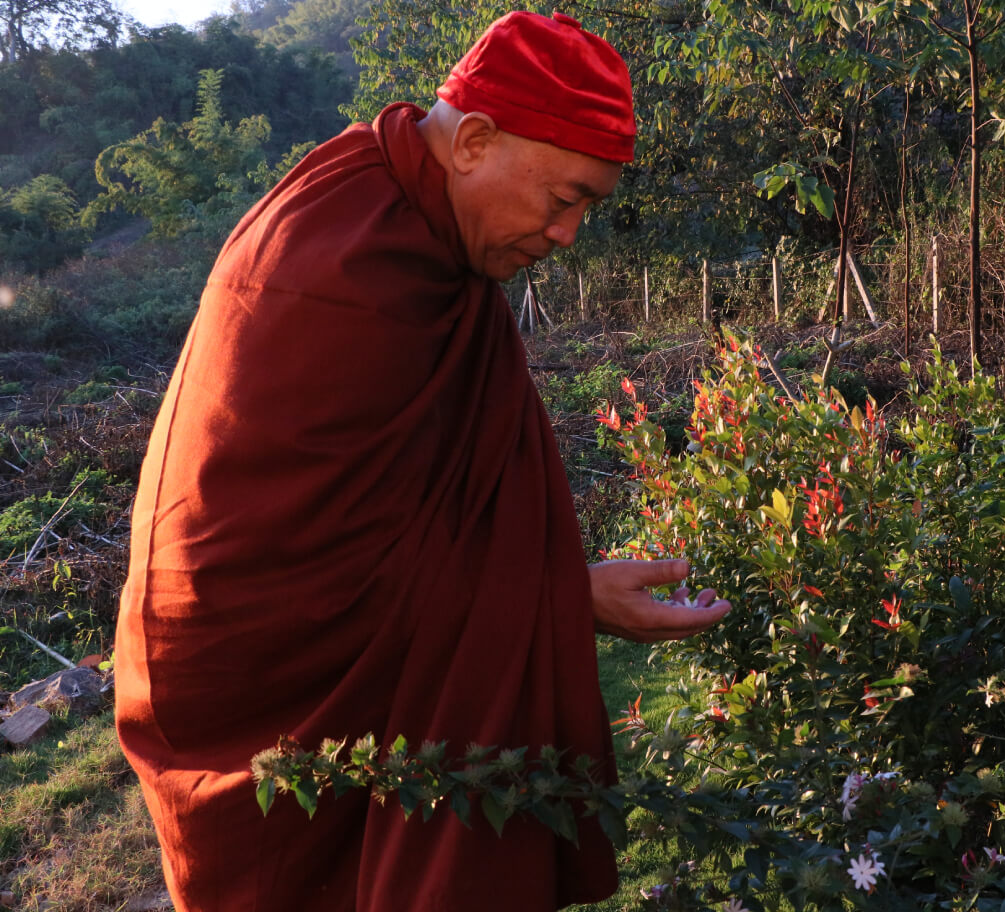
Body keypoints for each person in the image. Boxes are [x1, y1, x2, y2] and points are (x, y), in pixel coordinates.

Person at [113, 11, 730, 911]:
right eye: (565, 199)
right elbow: (324, 564)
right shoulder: (348, 268)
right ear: (474, 140)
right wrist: (565, 595)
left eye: (589, 209)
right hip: (253, 672)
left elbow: (421, 522)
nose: (568, 237)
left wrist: (563, 584)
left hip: (316, 641)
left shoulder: (407, 211)